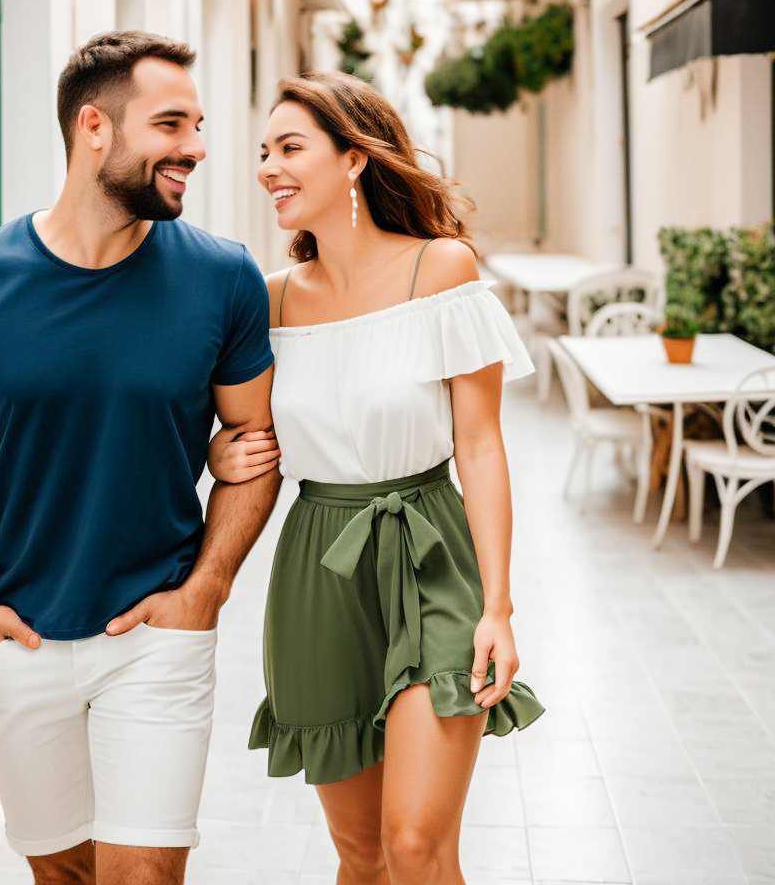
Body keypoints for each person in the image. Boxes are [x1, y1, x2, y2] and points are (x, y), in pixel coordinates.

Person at [0, 31, 282, 885]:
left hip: (158, 634)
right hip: (21, 632)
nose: (194, 146)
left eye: (196, 124)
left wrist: (206, 590)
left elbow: (254, 450)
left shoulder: (224, 278)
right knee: (63, 873)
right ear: (95, 127)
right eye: (171, 124)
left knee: (143, 873)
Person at [209, 72, 546, 885]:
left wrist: (497, 604)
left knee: (417, 846)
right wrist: (223, 454)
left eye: (291, 148)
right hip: (318, 571)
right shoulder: (272, 302)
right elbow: (240, 431)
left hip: (431, 556)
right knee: (361, 857)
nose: (268, 168)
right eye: (264, 151)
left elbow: (483, 447)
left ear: (355, 160)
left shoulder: (442, 270)